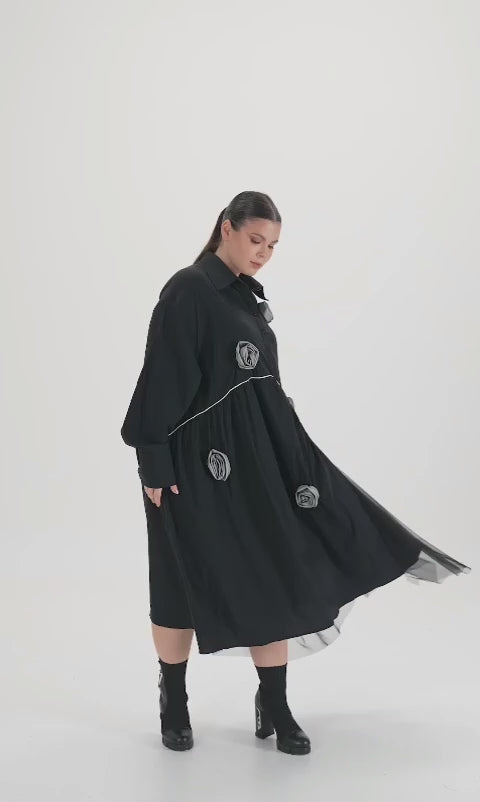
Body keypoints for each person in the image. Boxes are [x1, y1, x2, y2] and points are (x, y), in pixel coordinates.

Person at [120, 190, 471, 755]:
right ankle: (175, 701)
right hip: (190, 466)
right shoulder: (189, 289)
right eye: (255, 239)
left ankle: (275, 703)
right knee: (177, 581)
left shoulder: (248, 298)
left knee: (272, 569)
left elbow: (264, 389)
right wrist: (153, 463)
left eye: (273, 246)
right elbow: (161, 376)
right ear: (227, 228)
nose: (263, 253)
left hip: (258, 459)